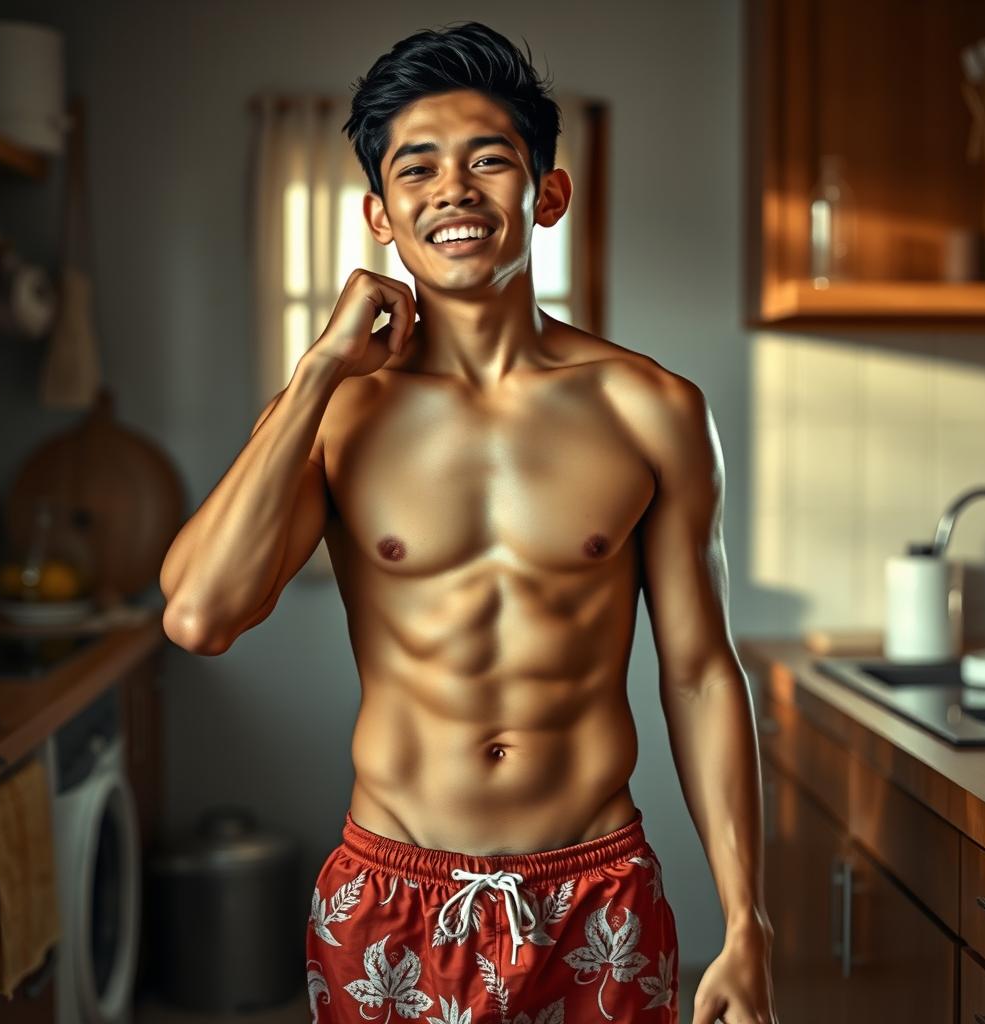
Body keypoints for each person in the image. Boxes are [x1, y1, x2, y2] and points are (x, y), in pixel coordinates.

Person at [160, 20, 778, 1024]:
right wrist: (315, 369)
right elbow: (199, 615)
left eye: (488, 161)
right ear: (379, 213)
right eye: (418, 169)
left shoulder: (649, 408)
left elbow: (701, 670)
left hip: (599, 890)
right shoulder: (336, 411)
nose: (452, 189)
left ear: (547, 195)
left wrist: (747, 922)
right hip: (389, 894)